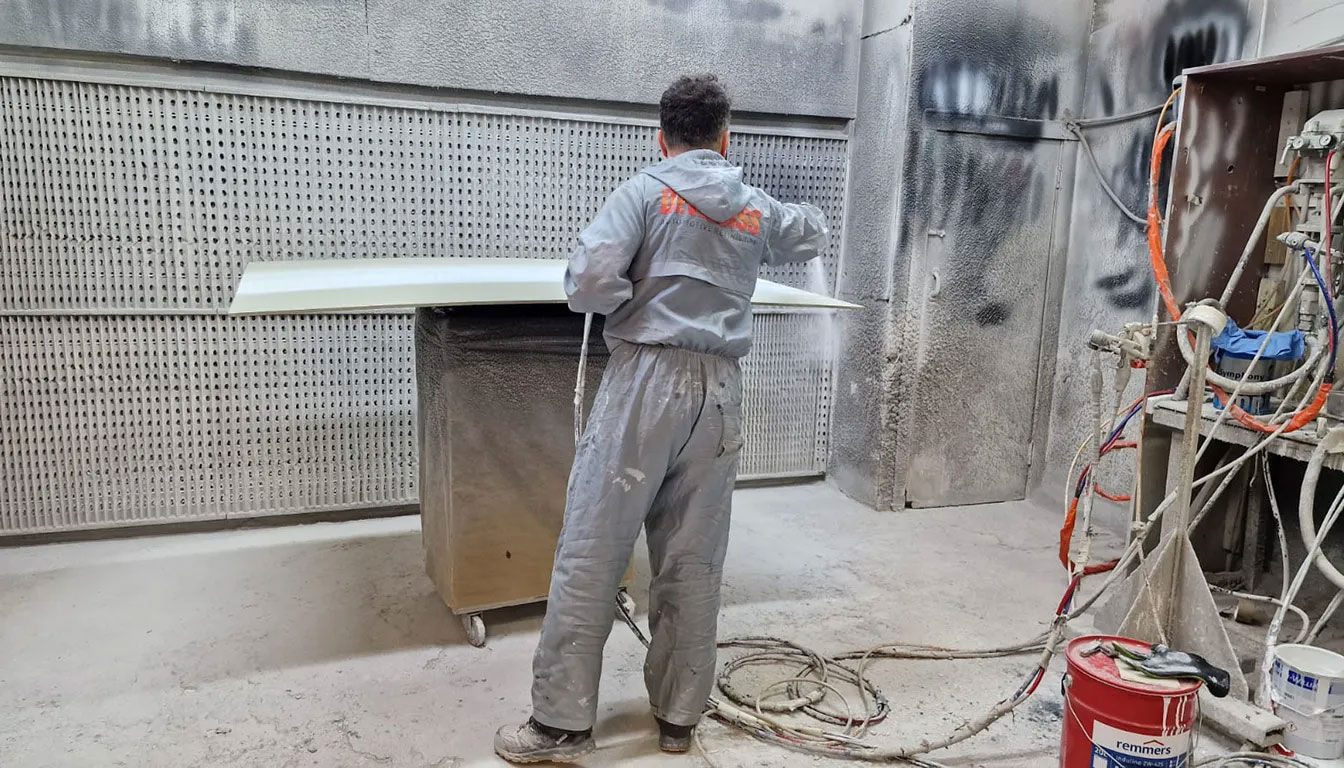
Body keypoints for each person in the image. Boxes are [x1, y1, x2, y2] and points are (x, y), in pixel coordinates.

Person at [494, 73, 829, 763]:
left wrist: (632, 296)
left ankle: (561, 725)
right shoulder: (750, 205)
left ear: (662, 134)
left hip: (644, 386)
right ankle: (678, 719)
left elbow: (588, 283)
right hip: (720, 396)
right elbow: (807, 235)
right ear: (724, 135)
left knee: (593, 550)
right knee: (693, 560)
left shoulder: (643, 194)